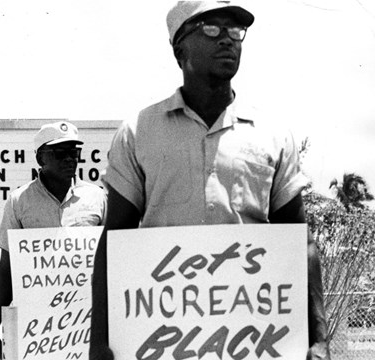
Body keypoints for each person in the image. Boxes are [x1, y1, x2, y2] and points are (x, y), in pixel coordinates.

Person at [89, 2, 330, 360]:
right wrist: (100, 340)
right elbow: (115, 239)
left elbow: (300, 243)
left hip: (255, 339)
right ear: (180, 47)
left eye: (235, 31)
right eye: (212, 29)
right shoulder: (140, 132)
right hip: (163, 340)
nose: (228, 40)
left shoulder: (273, 134)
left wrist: (319, 337)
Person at [0, 121, 107, 360]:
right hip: (37, 328)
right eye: (61, 153)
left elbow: (113, 260)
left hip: (86, 321)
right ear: (41, 158)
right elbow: (6, 271)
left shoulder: (97, 197)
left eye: (74, 152)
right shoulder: (20, 201)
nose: (70, 159)